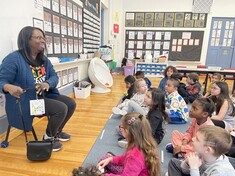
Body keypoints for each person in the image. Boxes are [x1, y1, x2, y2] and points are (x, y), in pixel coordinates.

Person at [0, 26, 76, 152]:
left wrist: (47, 83)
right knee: (60, 108)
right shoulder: (13, 59)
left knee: (71, 103)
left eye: (43, 38)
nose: (43, 41)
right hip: (27, 102)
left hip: (44, 96)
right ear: (27, 40)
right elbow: (1, 80)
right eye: (38, 38)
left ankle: (56, 132)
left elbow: (54, 77)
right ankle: (48, 137)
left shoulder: (43, 60)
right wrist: (8, 87)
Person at [167, 125, 235, 176]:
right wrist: (188, 163)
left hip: (196, 173)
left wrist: (194, 168)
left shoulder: (221, 171)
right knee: (174, 163)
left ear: (208, 150)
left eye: (197, 139)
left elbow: (193, 171)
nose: (193, 139)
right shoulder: (203, 154)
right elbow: (184, 170)